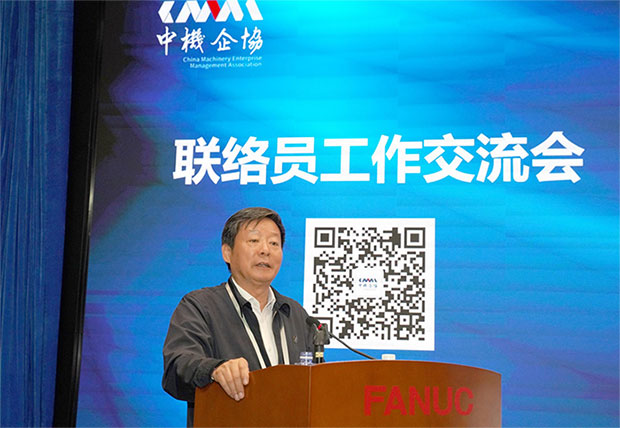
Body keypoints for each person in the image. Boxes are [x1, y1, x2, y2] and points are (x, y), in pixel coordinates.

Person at [162, 207, 315, 425]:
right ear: (227, 252)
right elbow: (177, 366)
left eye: (274, 243)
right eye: (254, 241)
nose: (265, 250)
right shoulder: (200, 306)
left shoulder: (296, 313)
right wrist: (214, 370)